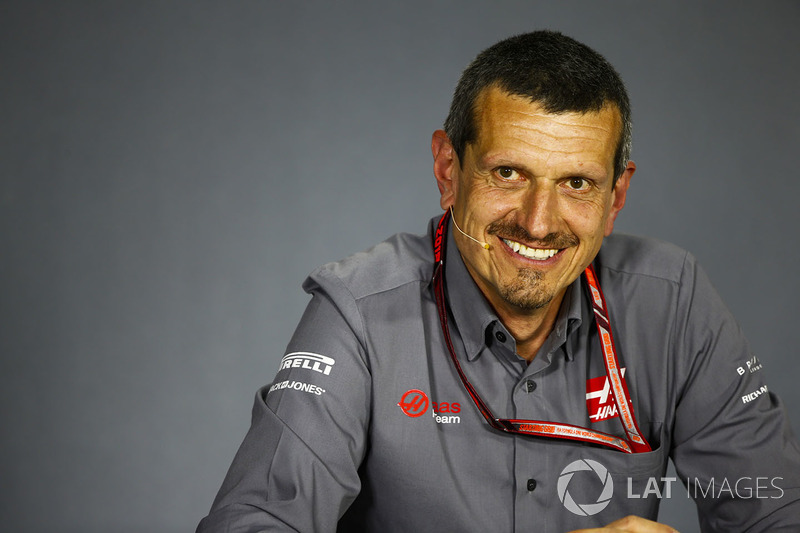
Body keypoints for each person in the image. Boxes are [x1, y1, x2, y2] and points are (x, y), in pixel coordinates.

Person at [197, 31, 800, 532]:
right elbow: (254, 523)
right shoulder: (360, 312)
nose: (538, 222)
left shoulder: (672, 303)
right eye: (508, 173)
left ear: (616, 196)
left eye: (577, 184)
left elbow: (775, 514)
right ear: (447, 169)